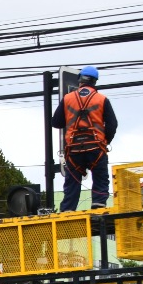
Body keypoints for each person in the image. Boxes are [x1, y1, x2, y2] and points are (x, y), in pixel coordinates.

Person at [52, 65, 117, 212]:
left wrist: (70, 120)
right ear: (94, 82)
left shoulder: (68, 99)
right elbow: (112, 124)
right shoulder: (102, 99)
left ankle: (68, 209)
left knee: (72, 181)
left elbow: (55, 122)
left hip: (74, 150)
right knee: (100, 177)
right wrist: (105, 141)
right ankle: (99, 203)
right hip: (96, 148)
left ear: (79, 80)